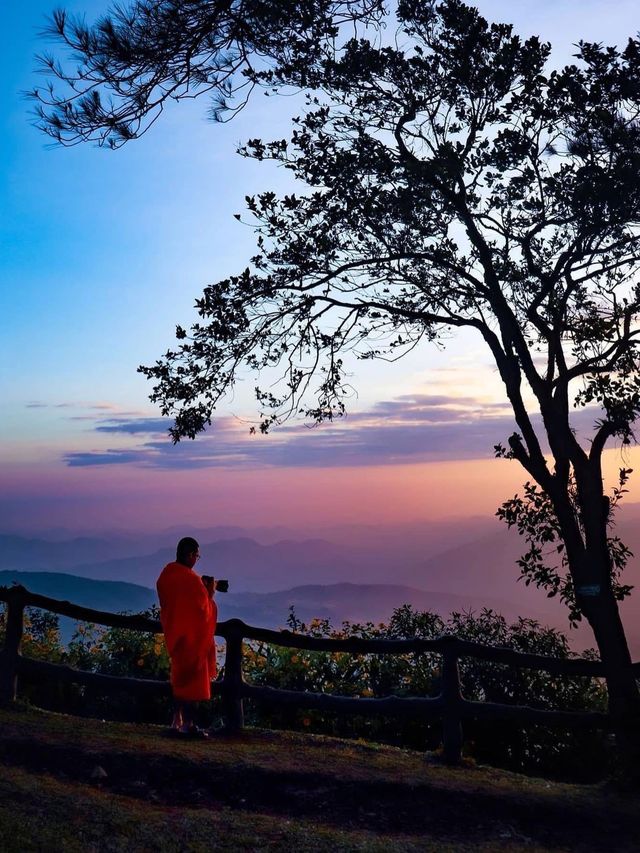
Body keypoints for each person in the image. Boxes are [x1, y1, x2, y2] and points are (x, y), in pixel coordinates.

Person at [156, 537, 217, 737]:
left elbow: (169, 600)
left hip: (176, 636)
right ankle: (189, 725)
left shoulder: (167, 574)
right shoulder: (191, 580)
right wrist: (210, 593)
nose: (197, 560)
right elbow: (203, 610)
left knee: (178, 681)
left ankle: (176, 721)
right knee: (192, 684)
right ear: (190, 554)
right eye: (196, 555)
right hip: (192, 640)